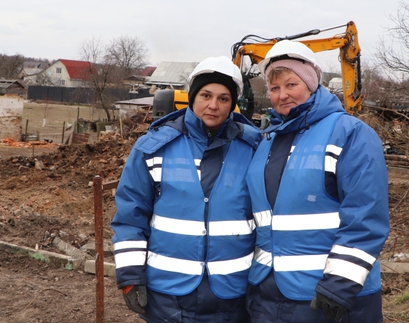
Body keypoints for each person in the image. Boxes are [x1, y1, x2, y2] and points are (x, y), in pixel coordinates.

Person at [245, 40, 390, 322]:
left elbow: (366, 215)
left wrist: (339, 284)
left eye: (291, 84)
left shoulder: (349, 133)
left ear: (311, 83)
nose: (282, 95)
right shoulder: (267, 142)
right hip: (269, 295)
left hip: (328, 297)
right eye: (274, 88)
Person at [111, 56, 261, 322]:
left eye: (224, 99)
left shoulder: (254, 149)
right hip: (168, 298)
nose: (213, 105)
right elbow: (130, 217)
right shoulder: (153, 148)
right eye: (206, 95)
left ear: (233, 103)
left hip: (232, 297)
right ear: (192, 96)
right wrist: (131, 274)